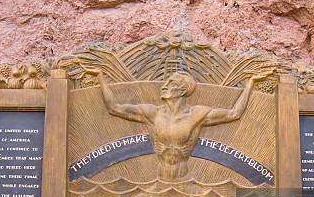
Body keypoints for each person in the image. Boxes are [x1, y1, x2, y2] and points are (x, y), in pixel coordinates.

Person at [85, 69, 270, 181]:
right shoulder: (152, 113)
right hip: (159, 180)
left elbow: (234, 113)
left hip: (185, 180)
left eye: (170, 83)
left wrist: (250, 84)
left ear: (182, 90)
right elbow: (114, 108)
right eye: (165, 82)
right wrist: (101, 77)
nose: (164, 85)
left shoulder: (197, 114)